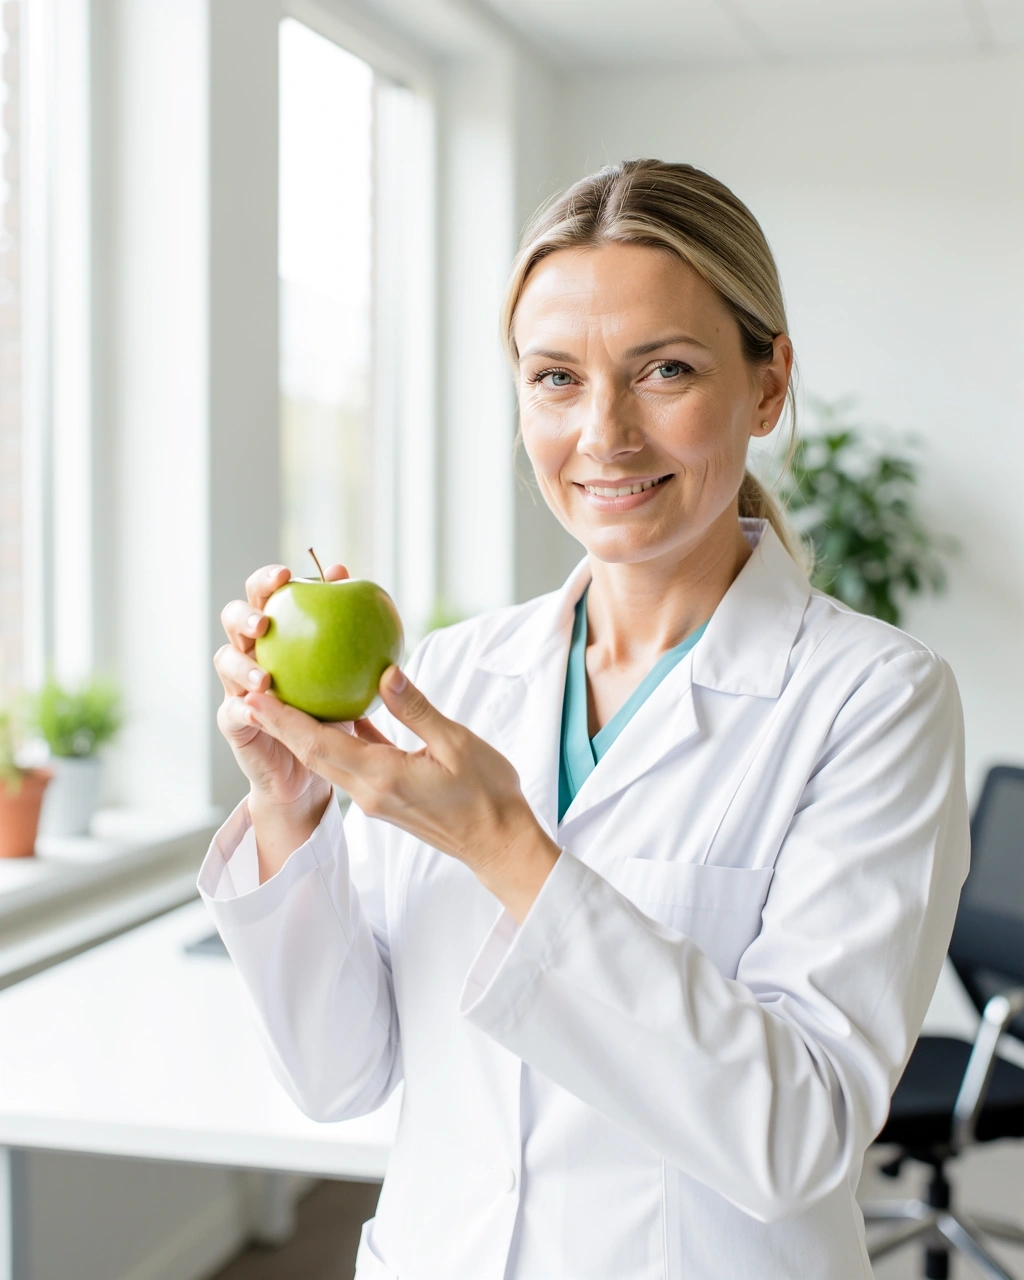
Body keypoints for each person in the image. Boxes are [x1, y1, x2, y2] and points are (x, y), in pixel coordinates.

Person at [200, 159, 969, 1279]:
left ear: (766, 386)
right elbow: (335, 1075)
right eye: (555, 377)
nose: (603, 433)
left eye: (664, 369)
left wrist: (508, 849)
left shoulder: (873, 699)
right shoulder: (454, 673)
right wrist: (291, 807)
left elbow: (797, 1136)